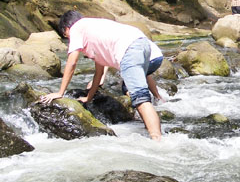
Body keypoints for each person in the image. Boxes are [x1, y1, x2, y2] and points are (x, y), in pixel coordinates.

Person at [40, 11, 162, 141]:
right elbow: (98, 73)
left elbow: (72, 62)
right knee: (139, 95)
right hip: (142, 42)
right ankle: (149, 130)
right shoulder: (94, 30)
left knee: (140, 98)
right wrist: (89, 97)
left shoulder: (76, 28)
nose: (69, 39)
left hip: (129, 48)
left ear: (67, 28)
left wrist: (60, 92)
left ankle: (157, 140)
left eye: (66, 36)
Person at [86, 41, 165, 103]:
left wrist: (99, 80)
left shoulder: (103, 44)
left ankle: (140, 110)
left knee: (127, 87)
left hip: (146, 57)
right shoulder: (120, 36)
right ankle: (159, 99)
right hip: (157, 56)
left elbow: (105, 61)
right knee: (143, 74)